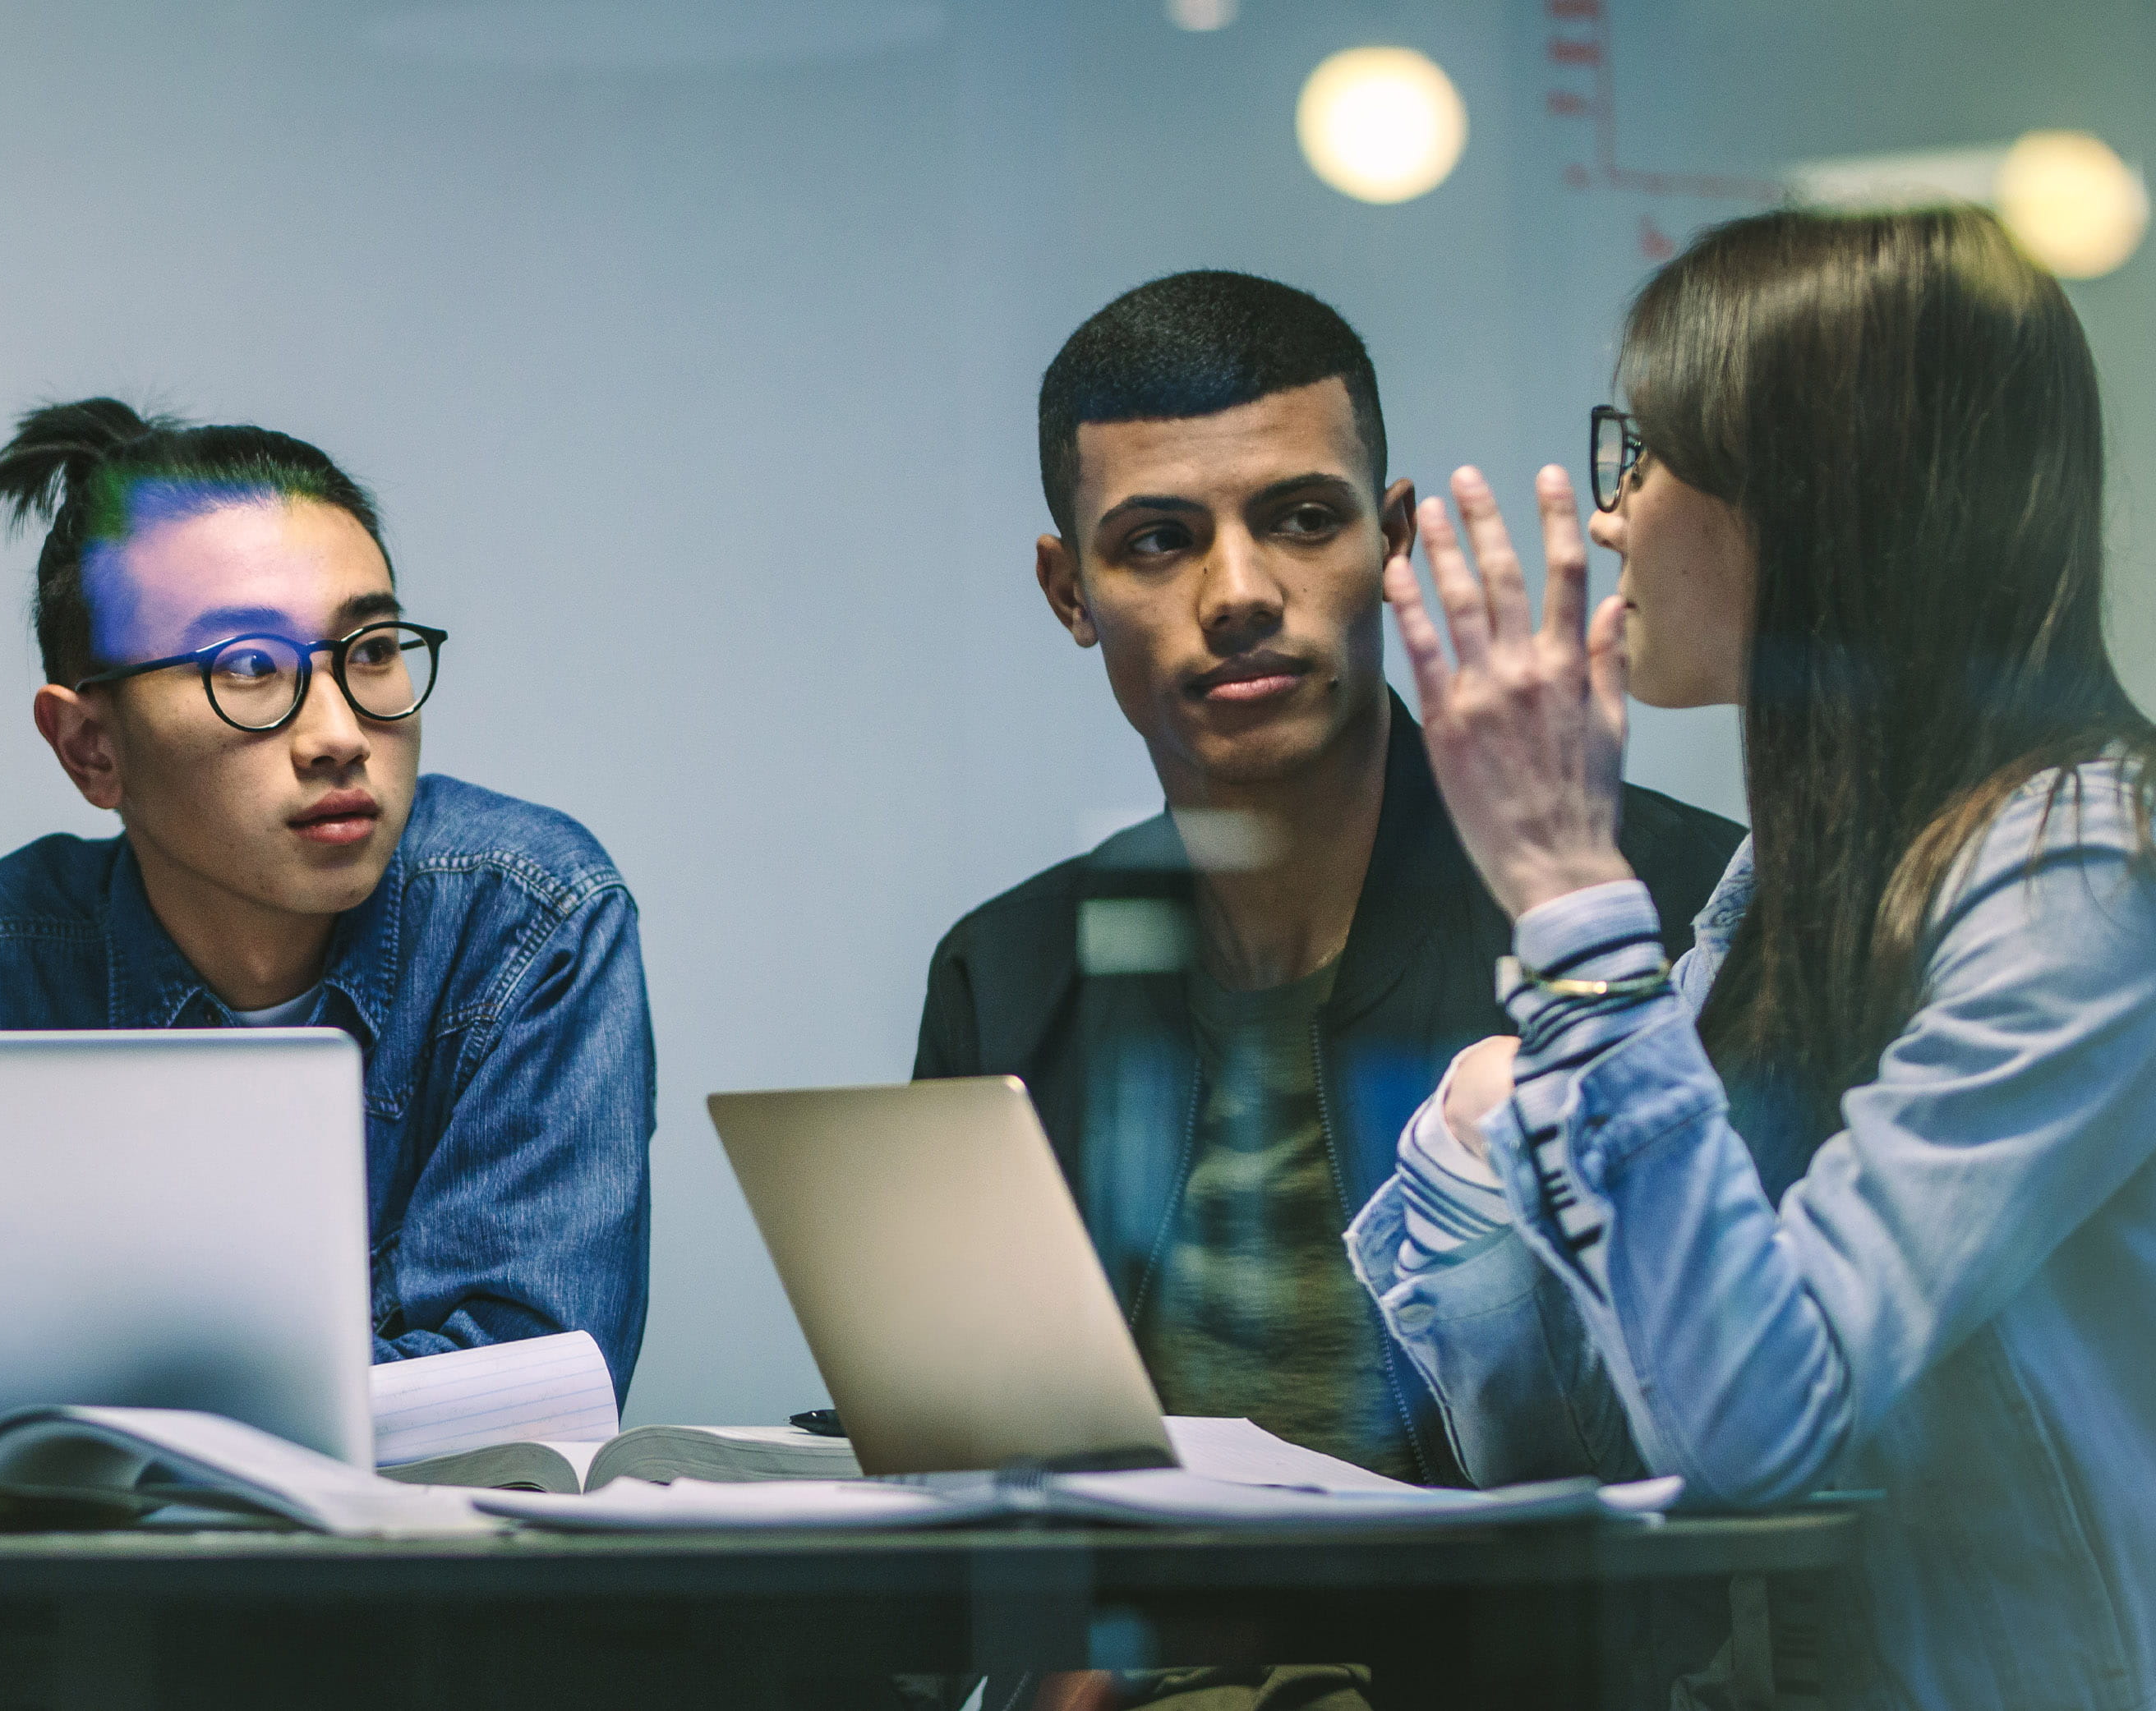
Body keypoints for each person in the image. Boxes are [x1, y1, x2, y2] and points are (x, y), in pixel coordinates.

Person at [1359, 206, 2156, 1710]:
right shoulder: (1794, 878)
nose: (1610, 515)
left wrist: (1575, 906)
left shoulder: (2089, 864)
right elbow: (1616, 1458)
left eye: (1646, 456)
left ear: (1812, 497)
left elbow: (1750, 1428)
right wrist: (1482, 1154)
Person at [913, 271, 1744, 1497]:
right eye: (1158, 540)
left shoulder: (1661, 910)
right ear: (1068, 592)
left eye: (1304, 518)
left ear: (1394, 538)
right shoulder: (1010, 968)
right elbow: (969, 1463)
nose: (1240, 592)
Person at [0, 399, 655, 1392]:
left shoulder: (526, 924)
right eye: (248, 667)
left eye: (372, 650)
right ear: (91, 747)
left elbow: (524, 1393)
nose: (339, 732)